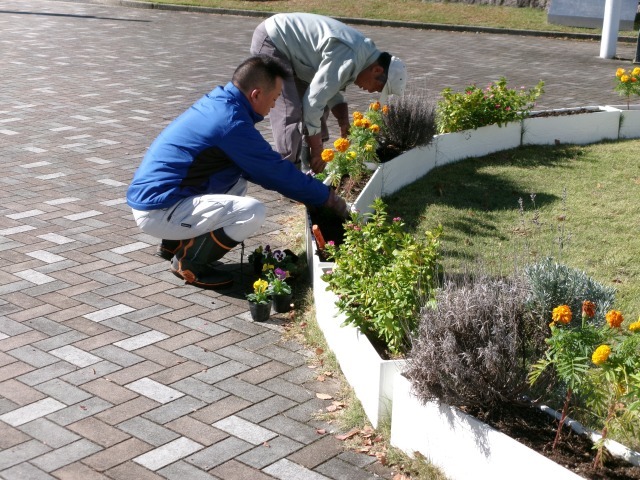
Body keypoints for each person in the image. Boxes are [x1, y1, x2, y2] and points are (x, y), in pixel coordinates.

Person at [126, 55, 349, 290]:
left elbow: (261, 168)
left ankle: (174, 242)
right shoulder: (231, 122)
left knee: (236, 183)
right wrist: (328, 198)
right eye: (273, 99)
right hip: (158, 209)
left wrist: (308, 191)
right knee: (251, 212)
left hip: (160, 198)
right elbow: (273, 171)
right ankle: (189, 262)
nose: (273, 106)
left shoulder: (220, 103)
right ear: (256, 94)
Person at [250, 12, 407, 174]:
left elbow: (328, 89)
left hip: (296, 55)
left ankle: (308, 166)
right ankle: (288, 176)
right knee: (289, 111)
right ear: (377, 70)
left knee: (320, 107)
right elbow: (313, 102)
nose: (372, 91)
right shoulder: (349, 56)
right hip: (274, 41)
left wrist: (343, 120)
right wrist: (317, 150)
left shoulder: (362, 56)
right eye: (378, 87)